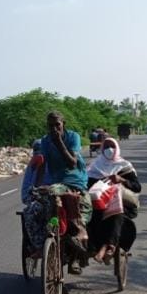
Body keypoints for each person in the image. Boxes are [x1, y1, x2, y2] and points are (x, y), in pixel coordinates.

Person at [34, 111, 91, 274]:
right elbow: (43, 165)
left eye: (57, 125)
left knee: (79, 211)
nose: (54, 128)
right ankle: (49, 242)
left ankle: (75, 255)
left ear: (63, 124)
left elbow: (72, 163)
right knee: (43, 203)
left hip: (74, 181)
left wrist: (58, 141)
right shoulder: (45, 141)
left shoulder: (73, 137)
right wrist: (36, 186)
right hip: (56, 183)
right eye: (50, 125)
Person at [86, 137, 141, 264]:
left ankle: (108, 247)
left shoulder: (125, 166)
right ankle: (92, 247)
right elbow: (86, 184)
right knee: (87, 216)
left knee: (116, 215)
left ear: (117, 148)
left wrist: (121, 180)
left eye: (112, 146)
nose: (109, 149)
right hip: (98, 203)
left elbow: (137, 187)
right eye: (106, 147)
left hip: (121, 204)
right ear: (102, 149)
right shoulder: (95, 166)